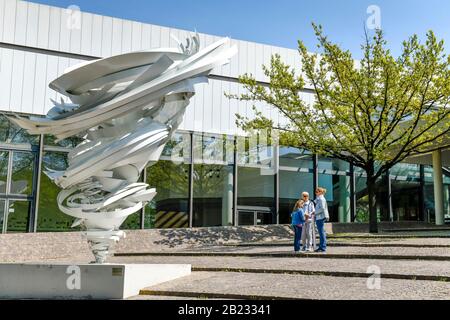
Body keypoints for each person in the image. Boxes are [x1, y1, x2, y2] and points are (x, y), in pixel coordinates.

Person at [314, 187, 329, 253]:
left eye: (317, 192)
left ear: (320, 192)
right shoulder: (319, 199)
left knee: (322, 232)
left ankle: (323, 247)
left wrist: (315, 213)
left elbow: (322, 208)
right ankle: (321, 247)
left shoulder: (321, 199)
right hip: (319, 217)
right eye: (316, 192)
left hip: (320, 217)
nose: (316, 193)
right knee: (321, 232)